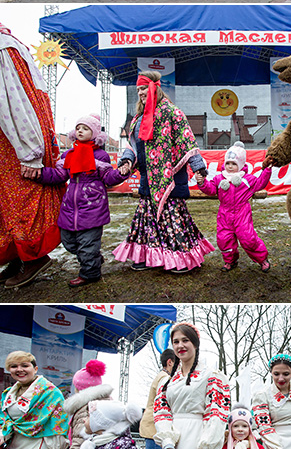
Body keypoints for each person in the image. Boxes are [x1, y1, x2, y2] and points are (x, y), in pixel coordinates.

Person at [114, 71, 214, 273]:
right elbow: (133, 145)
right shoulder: (137, 119)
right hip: (148, 179)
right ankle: (145, 256)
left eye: (144, 88)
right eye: (138, 89)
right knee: (147, 219)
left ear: (154, 88)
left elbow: (187, 141)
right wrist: (126, 161)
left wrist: (198, 168)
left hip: (170, 178)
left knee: (172, 219)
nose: (140, 93)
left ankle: (182, 259)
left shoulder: (172, 112)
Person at [24, 114, 130, 288]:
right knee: (69, 242)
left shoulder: (101, 156)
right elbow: (59, 175)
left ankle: (90, 274)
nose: (80, 130)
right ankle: (93, 258)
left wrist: (122, 173)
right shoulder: (69, 154)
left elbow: (109, 178)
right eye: (78, 127)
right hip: (70, 206)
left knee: (87, 244)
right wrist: (39, 173)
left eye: (85, 128)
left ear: (94, 134)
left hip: (92, 206)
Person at [0, 23, 64, 289]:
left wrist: (29, 151)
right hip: (15, 141)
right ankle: (18, 257)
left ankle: (35, 257)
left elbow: (12, 102)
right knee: (7, 203)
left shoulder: (4, 48)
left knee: (19, 199)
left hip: (14, 143)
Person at [195, 140, 271, 271]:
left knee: (248, 238)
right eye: (228, 163)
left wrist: (267, 171)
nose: (230, 166)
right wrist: (202, 183)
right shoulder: (219, 179)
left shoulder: (247, 179)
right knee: (224, 239)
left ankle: (262, 259)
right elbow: (211, 189)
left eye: (234, 164)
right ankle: (230, 261)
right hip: (224, 214)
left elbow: (260, 183)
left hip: (242, 213)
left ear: (241, 164)